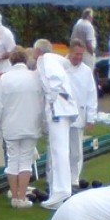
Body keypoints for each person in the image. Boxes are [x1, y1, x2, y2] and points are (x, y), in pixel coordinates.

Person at [0, 48, 43, 209]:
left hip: (10, 126)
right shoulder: (35, 77)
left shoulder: (5, 79)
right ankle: (21, 197)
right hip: (30, 125)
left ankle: (15, 196)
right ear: (25, 60)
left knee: (13, 160)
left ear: (11, 61)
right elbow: (42, 102)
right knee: (26, 160)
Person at [35, 38, 76, 209]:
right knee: (58, 149)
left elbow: (56, 79)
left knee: (59, 150)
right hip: (63, 108)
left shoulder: (45, 60)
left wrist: (51, 100)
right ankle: (59, 190)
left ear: (38, 51)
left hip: (58, 109)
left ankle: (61, 189)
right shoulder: (55, 60)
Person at [65, 38, 98, 186]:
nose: (78, 57)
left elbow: (91, 94)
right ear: (70, 51)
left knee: (76, 151)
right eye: (76, 54)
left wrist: (91, 117)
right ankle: (55, 178)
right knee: (58, 149)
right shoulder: (60, 66)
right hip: (61, 115)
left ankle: (73, 178)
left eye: (81, 54)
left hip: (78, 115)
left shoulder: (86, 71)